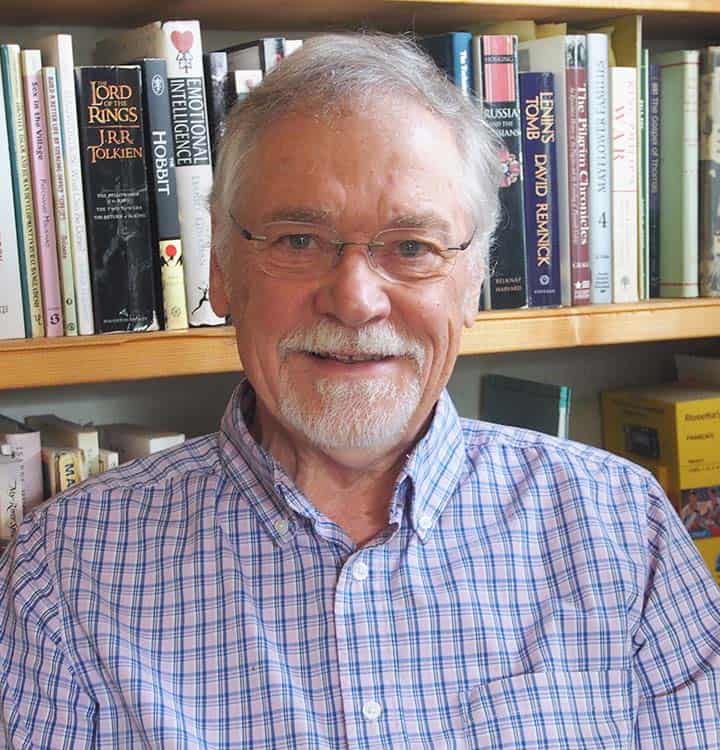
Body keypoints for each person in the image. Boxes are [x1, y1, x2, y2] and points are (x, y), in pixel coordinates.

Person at [1, 32, 719, 749]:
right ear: (220, 269)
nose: (354, 301)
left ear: (473, 282)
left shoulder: (624, 533)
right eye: (298, 240)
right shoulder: (62, 571)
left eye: (411, 247)